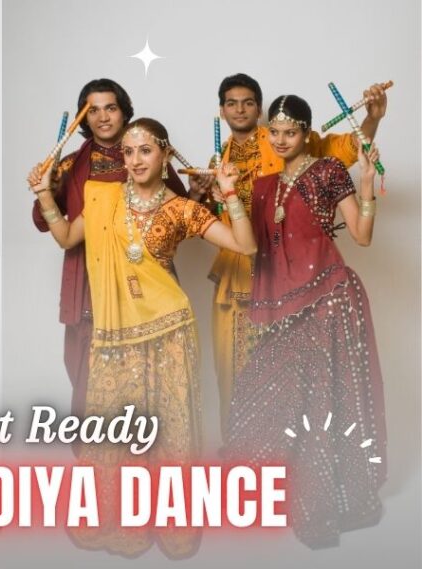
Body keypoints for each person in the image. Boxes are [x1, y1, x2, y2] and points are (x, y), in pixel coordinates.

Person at [29, 118, 256, 559]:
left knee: (169, 426)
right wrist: (44, 193)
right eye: (128, 152)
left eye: (144, 151)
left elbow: (244, 246)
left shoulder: (182, 209)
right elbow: (65, 237)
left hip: (169, 327)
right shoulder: (101, 196)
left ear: (165, 155)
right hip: (116, 333)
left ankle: (167, 521)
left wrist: (229, 190)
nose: (134, 160)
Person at [225, 95, 386, 549]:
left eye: (289, 133)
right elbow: (250, 246)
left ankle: (323, 501)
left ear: (307, 132)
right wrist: (223, 193)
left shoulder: (329, 172)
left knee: (319, 402)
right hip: (283, 307)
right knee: (265, 396)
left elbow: (363, 236)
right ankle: (283, 494)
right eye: (273, 132)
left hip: (329, 301)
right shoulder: (263, 184)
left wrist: (368, 185)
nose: (280, 140)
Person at [190, 73, 387, 434]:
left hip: (317, 293)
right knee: (256, 382)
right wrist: (217, 196)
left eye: (248, 102)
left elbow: (347, 155)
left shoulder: (319, 166)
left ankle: (317, 476)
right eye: (231, 103)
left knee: (319, 390)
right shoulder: (234, 169)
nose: (280, 140)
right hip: (256, 288)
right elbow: (236, 236)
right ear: (221, 110)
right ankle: (251, 459)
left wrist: (368, 173)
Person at [30, 79, 187, 420]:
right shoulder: (70, 165)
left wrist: (209, 195)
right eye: (94, 110)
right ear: (83, 119)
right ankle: (97, 462)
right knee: (88, 375)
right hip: (90, 279)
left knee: (150, 368)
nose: (103, 117)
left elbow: (181, 210)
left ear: (125, 111)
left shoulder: (147, 154)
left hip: (144, 277)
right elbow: (44, 223)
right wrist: (49, 187)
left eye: (111, 108)